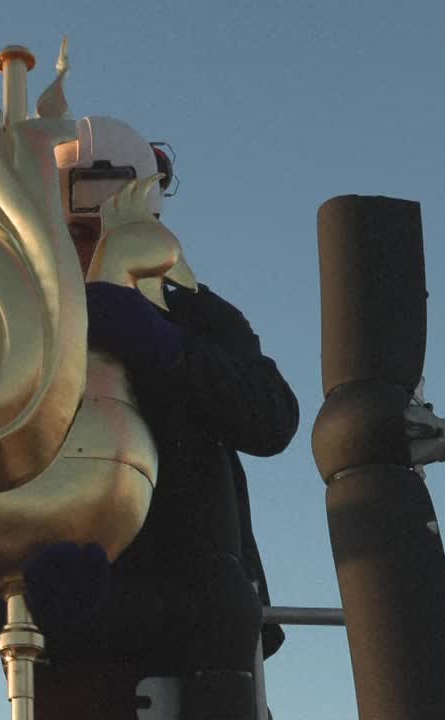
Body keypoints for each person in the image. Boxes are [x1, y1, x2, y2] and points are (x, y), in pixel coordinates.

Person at [24, 117, 299, 719]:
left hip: (207, 628)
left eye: (105, 229)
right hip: (75, 630)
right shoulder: (25, 322)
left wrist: (171, 348)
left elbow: (273, 420)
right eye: (74, 230)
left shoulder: (201, 315)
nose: (91, 246)